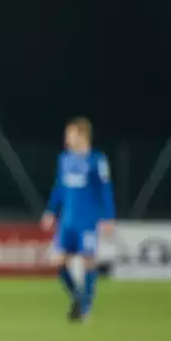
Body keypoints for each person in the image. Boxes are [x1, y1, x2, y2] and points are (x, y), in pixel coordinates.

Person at [40, 117, 114, 322]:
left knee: (88, 261)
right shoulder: (65, 159)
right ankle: (78, 298)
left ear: (82, 135)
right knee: (58, 262)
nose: (67, 138)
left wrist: (108, 216)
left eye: (70, 134)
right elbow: (59, 188)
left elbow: (105, 190)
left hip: (87, 221)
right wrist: (50, 211)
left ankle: (86, 307)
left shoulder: (97, 160)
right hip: (67, 221)